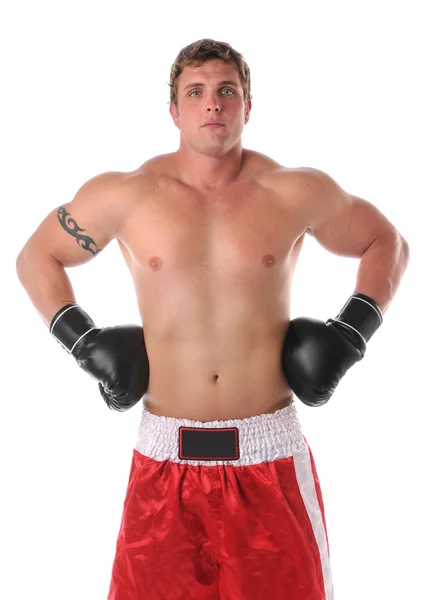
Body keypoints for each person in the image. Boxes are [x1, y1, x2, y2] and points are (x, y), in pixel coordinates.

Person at [16, 38, 409, 600]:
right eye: (195, 92)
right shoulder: (124, 195)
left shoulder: (295, 190)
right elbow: (37, 255)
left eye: (227, 91)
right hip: (163, 461)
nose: (212, 105)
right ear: (173, 111)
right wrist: (83, 341)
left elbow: (386, 242)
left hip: (268, 455)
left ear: (248, 106)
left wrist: (352, 332)